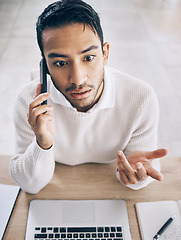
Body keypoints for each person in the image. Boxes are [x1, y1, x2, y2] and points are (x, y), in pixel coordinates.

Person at [10, 0, 167, 194]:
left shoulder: (140, 98)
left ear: (105, 53)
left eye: (88, 58)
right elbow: (30, 185)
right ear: (45, 67)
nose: (77, 79)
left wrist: (135, 176)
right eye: (60, 63)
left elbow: (142, 166)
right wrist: (42, 143)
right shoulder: (30, 102)